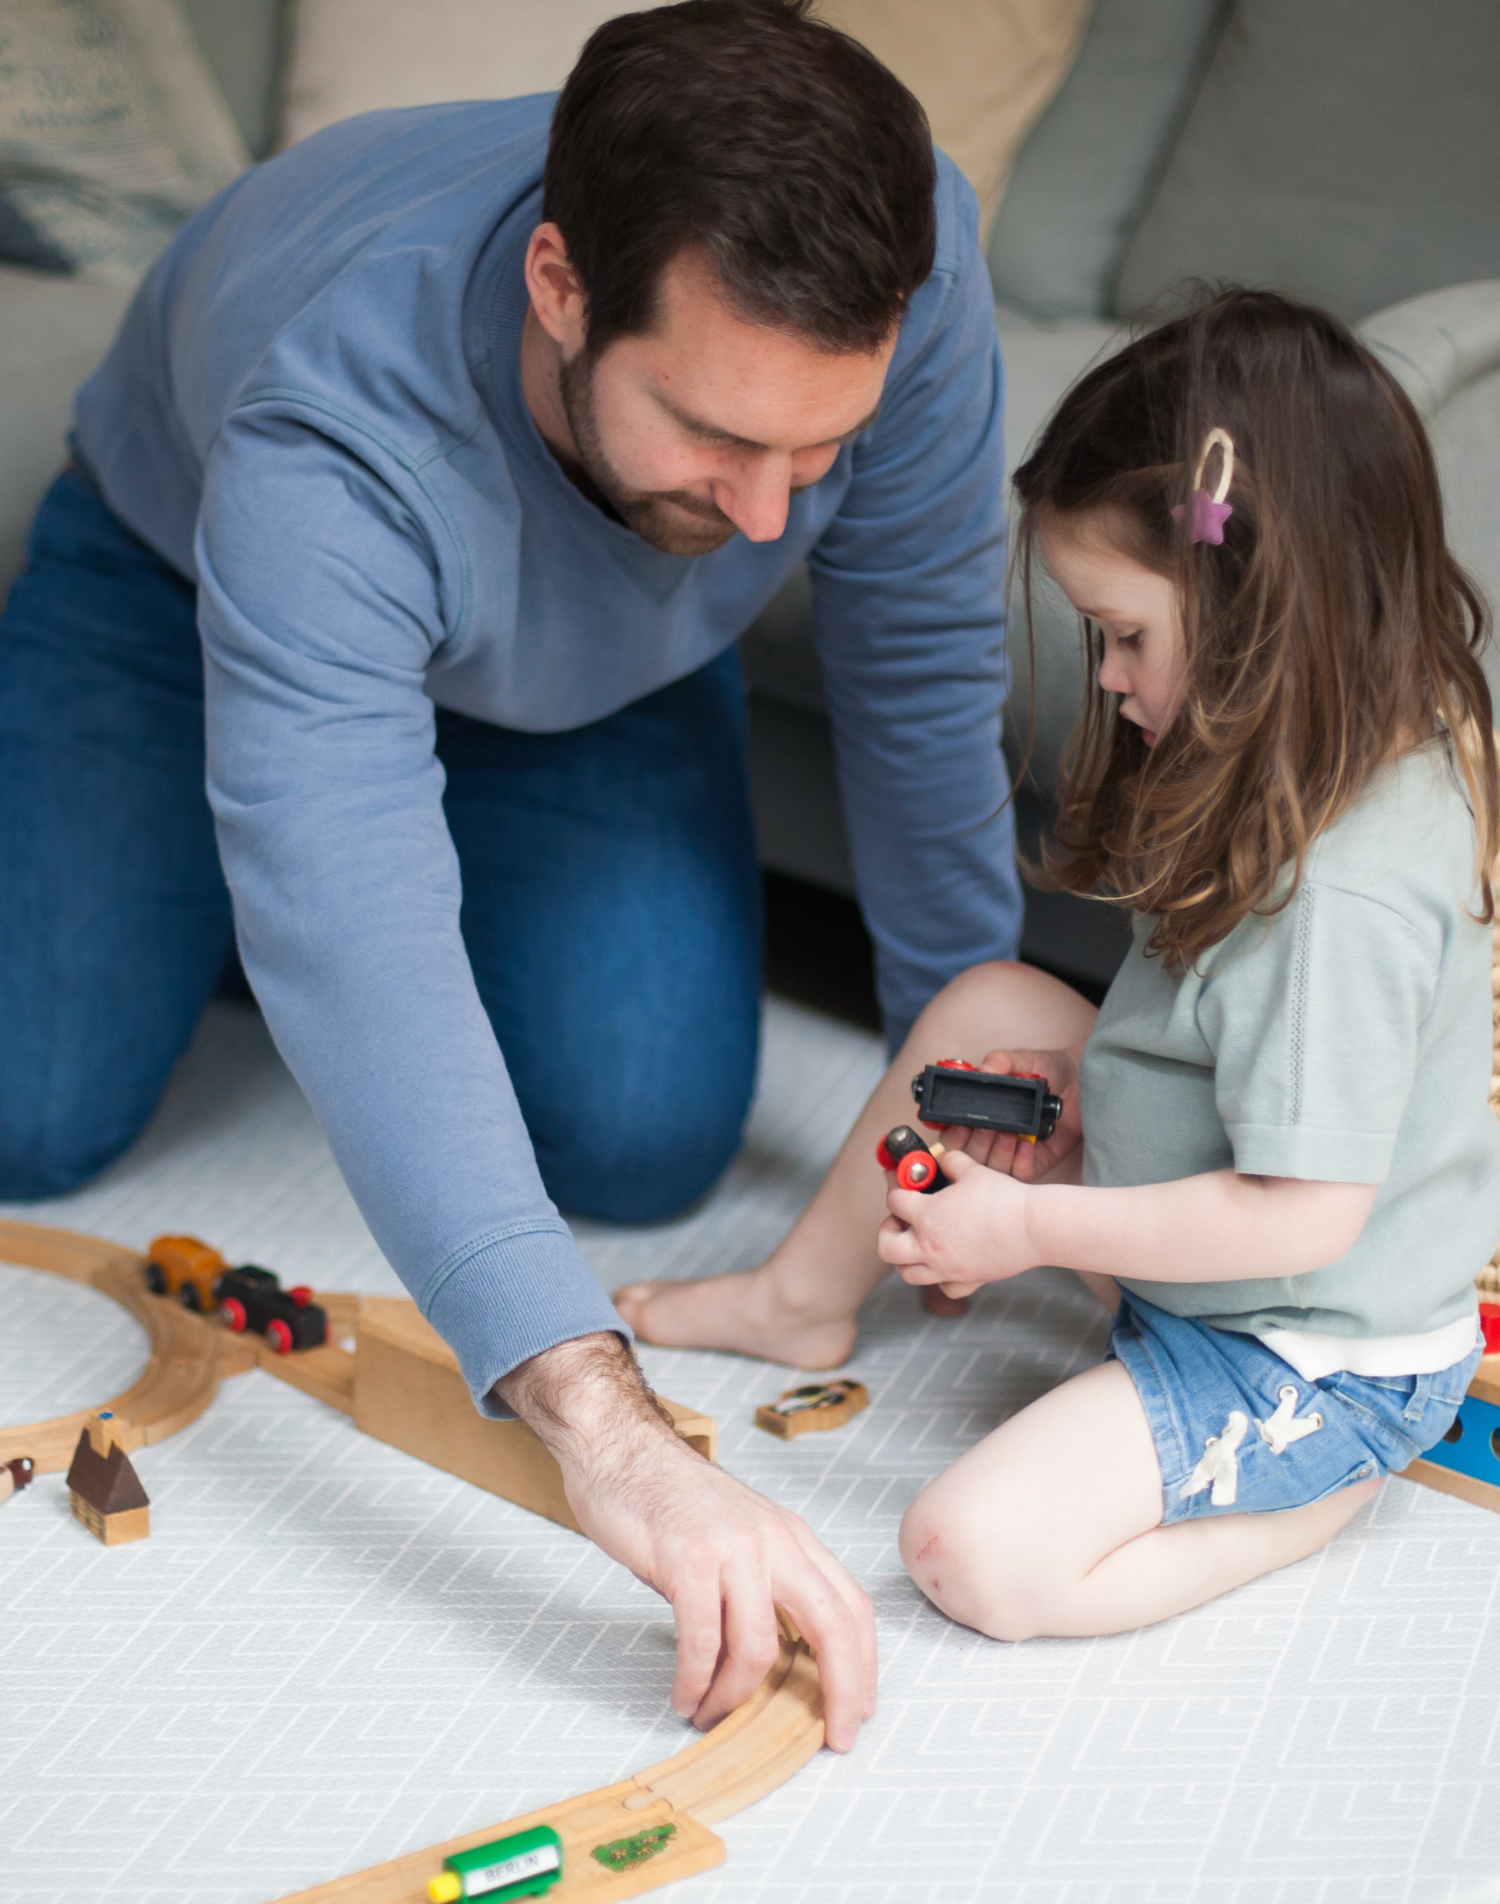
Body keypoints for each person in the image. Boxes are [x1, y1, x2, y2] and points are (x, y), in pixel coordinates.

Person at [0, 1, 1027, 1741]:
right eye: (715, 431)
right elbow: (354, 912)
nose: (775, 517)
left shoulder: (903, 267)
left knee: (642, 1130)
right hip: (180, 597)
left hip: (591, 658)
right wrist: (609, 1436)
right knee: (35, 1100)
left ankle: (310, 830)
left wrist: (975, 1070)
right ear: (561, 285)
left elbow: (920, 665)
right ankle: (251, 812)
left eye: (819, 452)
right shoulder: (329, 410)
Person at [618, 288, 1500, 1638]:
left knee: (972, 1555)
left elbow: (1302, 1219)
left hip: (1303, 1349)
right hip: (1206, 1249)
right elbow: (1212, 1032)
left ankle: (1317, 1491)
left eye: (1124, 635)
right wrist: (1098, 1112)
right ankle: (799, 1300)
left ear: (1263, 606)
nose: (1102, 676)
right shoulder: (1315, 736)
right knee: (987, 1004)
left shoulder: (1348, 892)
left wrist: (1028, 1228)